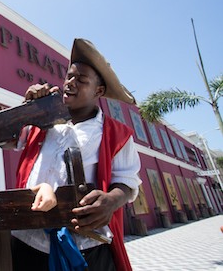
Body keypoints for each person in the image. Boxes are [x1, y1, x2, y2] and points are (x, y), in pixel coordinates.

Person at [8, 38, 142, 271]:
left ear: (98, 91)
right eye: (69, 76)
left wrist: (111, 200)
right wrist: (27, 110)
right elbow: (6, 139)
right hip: (27, 239)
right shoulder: (41, 120)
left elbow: (127, 181)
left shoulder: (117, 134)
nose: (70, 83)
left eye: (81, 80)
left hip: (86, 243)